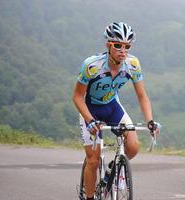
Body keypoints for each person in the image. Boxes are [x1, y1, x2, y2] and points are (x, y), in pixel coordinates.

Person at [72, 22, 160, 200]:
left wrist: (150, 120)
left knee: (133, 147)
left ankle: (112, 169)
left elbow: (142, 96)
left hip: (112, 106)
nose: (123, 50)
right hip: (90, 109)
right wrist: (90, 121)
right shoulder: (92, 65)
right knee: (93, 160)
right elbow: (77, 97)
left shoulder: (133, 65)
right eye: (118, 45)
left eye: (127, 46)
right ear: (108, 45)